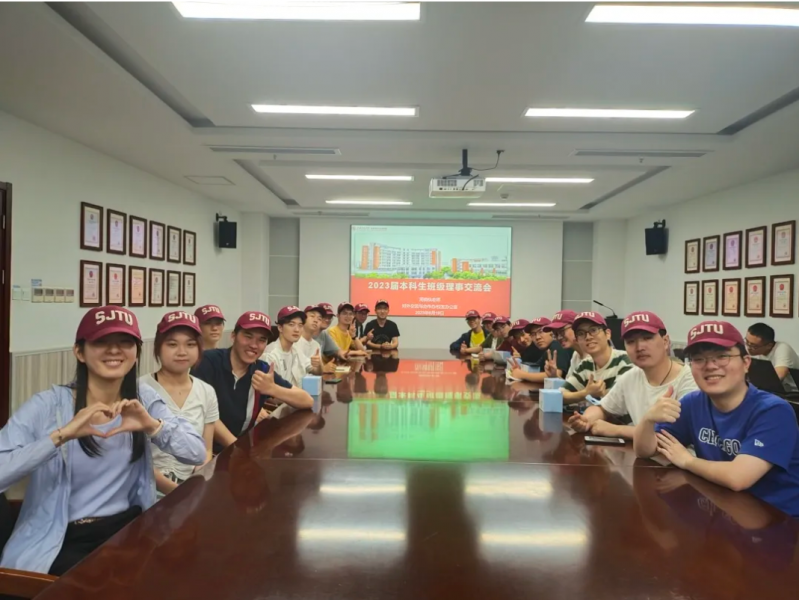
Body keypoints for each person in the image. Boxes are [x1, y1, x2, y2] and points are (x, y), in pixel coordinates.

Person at [0, 306, 206, 575]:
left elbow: (196, 452)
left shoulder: (142, 398)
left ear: (136, 353)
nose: (114, 350)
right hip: (62, 537)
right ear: (79, 352)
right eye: (101, 342)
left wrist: (152, 426)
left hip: (128, 529)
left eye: (125, 342)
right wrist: (61, 436)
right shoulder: (48, 405)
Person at [633, 320, 799, 518]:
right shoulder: (693, 403)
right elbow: (645, 451)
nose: (710, 366)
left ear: (746, 363)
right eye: (698, 359)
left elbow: (738, 477)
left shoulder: (773, 411)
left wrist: (688, 461)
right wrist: (648, 420)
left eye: (722, 356)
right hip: (721, 507)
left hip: (777, 519)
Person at [192, 311, 314, 452]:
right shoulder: (208, 361)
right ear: (233, 336)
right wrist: (236, 448)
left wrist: (273, 389)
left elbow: (307, 401)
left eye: (261, 340)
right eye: (248, 336)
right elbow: (205, 412)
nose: (254, 345)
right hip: (203, 451)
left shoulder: (262, 369)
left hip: (238, 448)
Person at [568, 311, 697, 439]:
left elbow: (671, 437)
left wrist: (616, 430)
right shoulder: (631, 377)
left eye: (647, 338)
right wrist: (585, 420)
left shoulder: (689, 380)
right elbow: (603, 408)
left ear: (665, 341)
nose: (639, 347)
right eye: (630, 341)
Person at [140, 311, 219, 496]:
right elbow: (136, 458)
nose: (182, 352)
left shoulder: (207, 391)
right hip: (147, 492)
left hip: (191, 489)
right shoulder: (140, 389)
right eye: (172, 344)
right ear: (158, 347)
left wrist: (195, 484)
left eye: (190, 344)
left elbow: (207, 448)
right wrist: (174, 491)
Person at [562, 312, 633, 402]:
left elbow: (617, 401)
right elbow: (561, 395)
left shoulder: (625, 360)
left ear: (607, 334)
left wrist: (588, 395)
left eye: (593, 330)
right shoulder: (585, 365)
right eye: (581, 333)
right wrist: (585, 393)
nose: (588, 337)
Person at [262, 306, 327, 386]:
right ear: (280, 328)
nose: (297, 330)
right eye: (291, 324)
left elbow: (316, 372)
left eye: (300, 325)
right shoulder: (270, 355)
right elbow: (270, 390)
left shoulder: (296, 350)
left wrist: (318, 364)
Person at [509, 318, 572, 382]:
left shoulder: (557, 345)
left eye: (541, 331)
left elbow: (556, 374)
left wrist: (522, 374)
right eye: (533, 334)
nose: (537, 337)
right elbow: (536, 370)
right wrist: (520, 370)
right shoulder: (547, 350)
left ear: (551, 332)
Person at [746, 323, 799, 393]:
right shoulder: (757, 351)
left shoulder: (782, 349)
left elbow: (778, 377)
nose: (749, 348)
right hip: (775, 391)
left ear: (769, 345)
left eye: (754, 346)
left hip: (793, 393)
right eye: (747, 342)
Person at [542, 310, 584, 378]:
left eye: (562, 332)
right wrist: (554, 376)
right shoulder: (576, 355)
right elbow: (570, 383)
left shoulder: (593, 355)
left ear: (576, 327)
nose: (559, 337)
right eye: (556, 334)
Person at [296, 304, 337, 373]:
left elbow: (317, 371)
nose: (316, 320)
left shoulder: (316, 345)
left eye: (319, 319)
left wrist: (321, 368)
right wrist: (323, 369)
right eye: (312, 316)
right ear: (303, 319)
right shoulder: (294, 341)